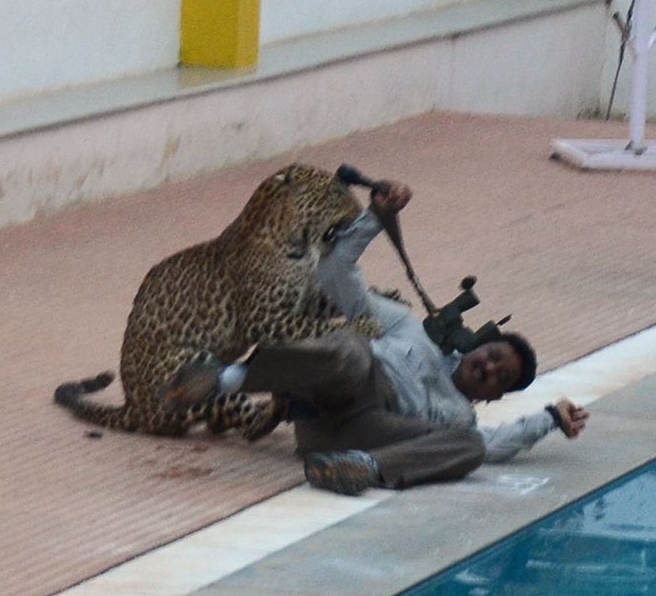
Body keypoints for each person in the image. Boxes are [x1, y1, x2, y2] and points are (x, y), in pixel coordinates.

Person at [174, 179, 589, 494]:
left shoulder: (460, 417)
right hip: (340, 390)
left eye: (501, 375)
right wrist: (374, 217)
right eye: (495, 354)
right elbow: (336, 274)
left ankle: (361, 470)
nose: (491, 366)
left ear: (495, 397)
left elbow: (499, 445)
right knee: (351, 347)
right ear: (478, 345)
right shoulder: (409, 328)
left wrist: (550, 419)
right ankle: (227, 380)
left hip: (355, 436)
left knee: (473, 449)